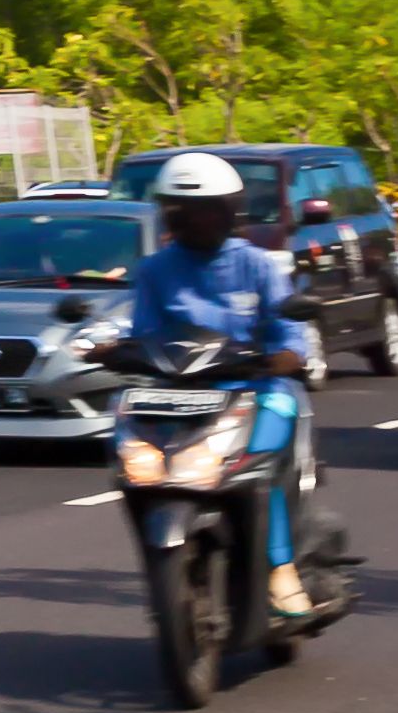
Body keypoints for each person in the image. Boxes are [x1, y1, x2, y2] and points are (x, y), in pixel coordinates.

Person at [115, 152, 329, 625]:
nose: (195, 220)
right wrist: (112, 351)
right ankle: (160, 566)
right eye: (183, 211)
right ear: (168, 212)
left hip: (257, 389)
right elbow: (144, 334)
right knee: (132, 457)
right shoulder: (154, 270)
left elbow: (287, 331)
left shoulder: (256, 265)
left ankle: (281, 570)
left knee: (261, 464)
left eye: (207, 210)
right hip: (179, 394)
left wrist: (285, 357)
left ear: (230, 212)